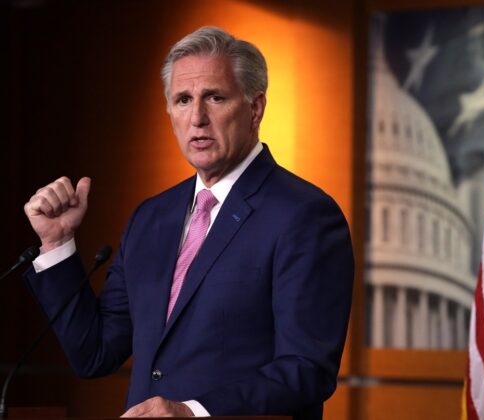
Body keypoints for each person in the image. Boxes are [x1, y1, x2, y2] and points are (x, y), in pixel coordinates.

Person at [22, 26, 354, 419]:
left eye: (215, 97)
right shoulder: (151, 217)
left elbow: (306, 370)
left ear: (255, 107)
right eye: (182, 100)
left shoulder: (304, 215)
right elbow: (95, 353)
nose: (197, 117)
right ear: (169, 112)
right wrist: (58, 244)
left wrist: (194, 412)